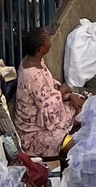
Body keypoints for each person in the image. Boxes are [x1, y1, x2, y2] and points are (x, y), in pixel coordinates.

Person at [14, 24, 86, 158]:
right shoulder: (32, 77)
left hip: (49, 113)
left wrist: (69, 95)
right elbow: (48, 111)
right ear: (41, 49)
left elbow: (50, 86)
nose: (50, 41)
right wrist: (61, 93)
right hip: (34, 131)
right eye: (47, 39)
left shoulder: (34, 61)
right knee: (69, 145)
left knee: (83, 107)